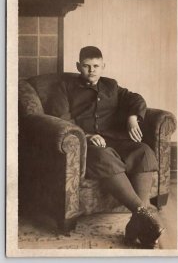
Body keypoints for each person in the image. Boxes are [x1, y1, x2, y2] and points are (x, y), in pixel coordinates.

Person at [48, 46, 164, 248]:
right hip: (85, 144)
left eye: (96, 66)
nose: (91, 70)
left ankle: (137, 221)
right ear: (78, 66)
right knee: (103, 157)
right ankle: (145, 214)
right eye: (86, 66)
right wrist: (87, 135)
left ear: (103, 67)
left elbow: (135, 99)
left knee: (143, 151)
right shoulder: (64, 87)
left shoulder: (111, 85)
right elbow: (61, 119)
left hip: (114, 138)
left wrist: (132, 117)